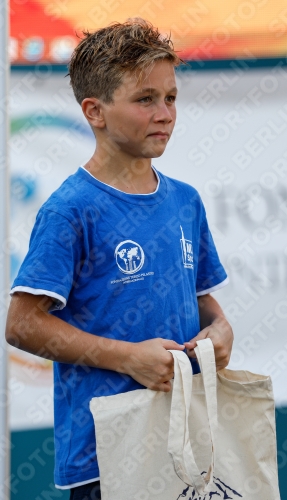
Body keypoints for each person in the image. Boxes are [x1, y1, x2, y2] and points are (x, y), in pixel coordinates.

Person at [5, 18, 233, 499]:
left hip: (188, 446)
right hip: (106, 458)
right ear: (95, 111)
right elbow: (22, 325)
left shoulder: (185, 201)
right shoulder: (70, 210)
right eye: (145, 99)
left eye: (170, 98)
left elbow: (203, 300)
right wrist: (129, 358)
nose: (165, 113)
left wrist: (220, 329)